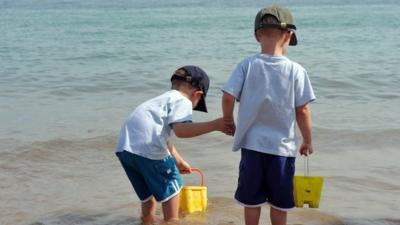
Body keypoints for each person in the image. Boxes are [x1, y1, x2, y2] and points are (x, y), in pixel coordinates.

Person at [221, 5, 316, 225]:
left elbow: (228, 95)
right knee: (280, 204)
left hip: (252, 146)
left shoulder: (247, 65)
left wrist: (228, 119)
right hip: (282, 149)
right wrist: (307, 140)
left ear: (257, 36)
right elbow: (302, 110)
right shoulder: (296, 70)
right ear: (289, 35)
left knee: (251, 201)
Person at [115, 65, 225, 224]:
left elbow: (159, 136)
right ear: (197, 94)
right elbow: (181, 131)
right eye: (197, 104)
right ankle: (172, 220)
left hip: (125, 150)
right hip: (149, 150)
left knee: (148, 197)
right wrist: (215, 125)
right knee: (174, 189)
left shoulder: (158, 101)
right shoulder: (183, 100)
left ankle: (147, 220)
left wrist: (178, 160)